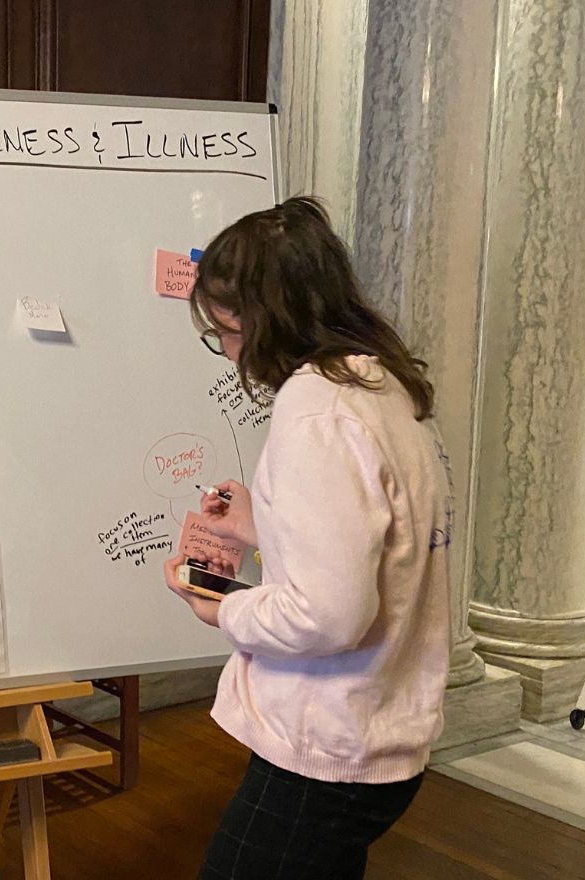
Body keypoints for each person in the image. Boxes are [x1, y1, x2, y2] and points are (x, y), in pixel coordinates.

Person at [162, 196, 453, 880]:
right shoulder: (379, 381)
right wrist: (261, 522)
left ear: (263, 321)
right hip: (379, 721)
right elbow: (374, 546)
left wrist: (222, 608)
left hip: (327, 744)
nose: (228, 351)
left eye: (225, 332)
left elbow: (328, 614)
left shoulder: (314, 413)